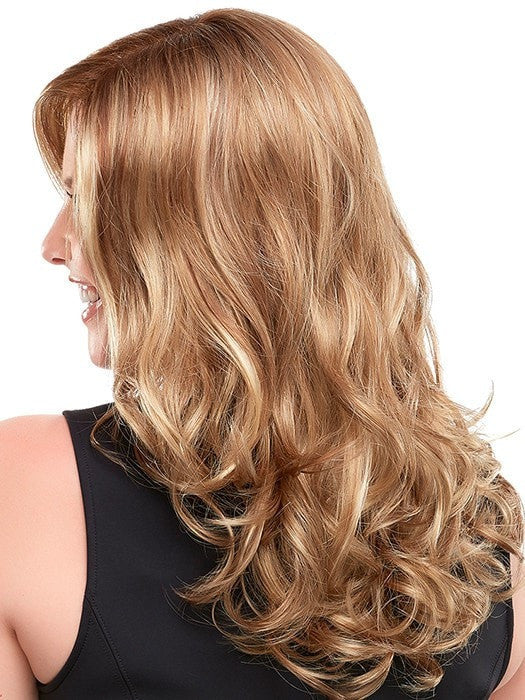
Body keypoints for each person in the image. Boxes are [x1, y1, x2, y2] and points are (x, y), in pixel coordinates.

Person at [1, 8, 524, 699]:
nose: (53, 245)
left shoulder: (27, 488)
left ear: (200, 230)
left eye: (85, 198)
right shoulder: (477, 528)